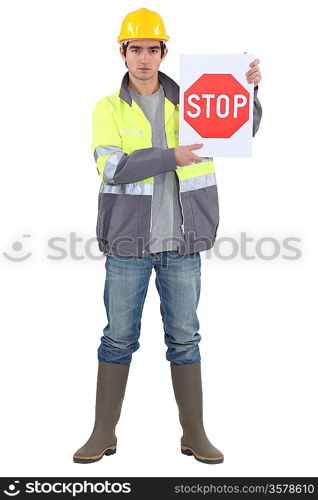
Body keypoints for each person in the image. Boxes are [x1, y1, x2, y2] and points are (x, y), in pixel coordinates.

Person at [73, 7, 262, 465]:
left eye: (151, 49)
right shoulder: (108, 108)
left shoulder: (193, 102)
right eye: (134, 49)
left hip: (182, 242)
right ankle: (103, 433)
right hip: (128, 245)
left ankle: (194, 434)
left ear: (163, 52)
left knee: (185, 338)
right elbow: (112, 167)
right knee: (117, 338)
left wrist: (249, 91)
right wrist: (170, 155)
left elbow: (241, 131)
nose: (143, 58)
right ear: (122, 52)